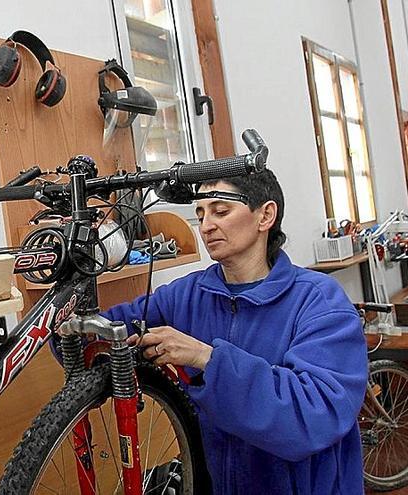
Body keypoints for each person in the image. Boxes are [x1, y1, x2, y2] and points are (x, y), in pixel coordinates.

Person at [103, 170, 368, 494]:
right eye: (200, 214)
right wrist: (69, 315)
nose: (206, 226)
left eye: (221, 211)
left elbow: (313, 416)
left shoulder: (319, 301)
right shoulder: (186, 295)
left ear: (265, 215)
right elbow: (107, 333)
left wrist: (208, 359)